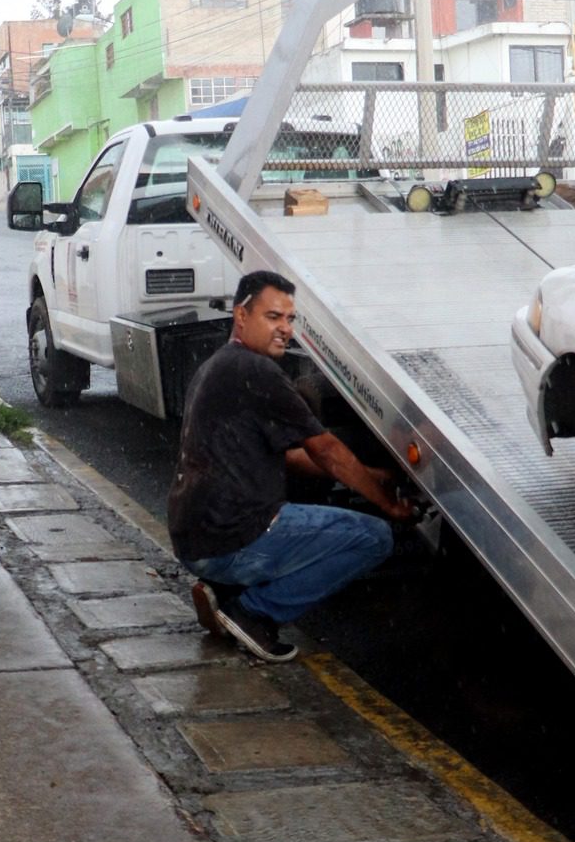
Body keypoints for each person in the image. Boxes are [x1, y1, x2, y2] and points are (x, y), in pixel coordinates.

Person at [169, 271, 415, 662]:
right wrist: (385, 502)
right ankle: (253, 612)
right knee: (374, 537)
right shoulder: (258, 371)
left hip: (195, 540)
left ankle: (226, 592)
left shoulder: (219, 366)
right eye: (273, 317)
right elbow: (325, 450)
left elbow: (287, 456)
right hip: (231, 540)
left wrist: (372, 475)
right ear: (241, 316)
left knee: (295, 515)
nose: (285, 329)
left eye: (290, 319)